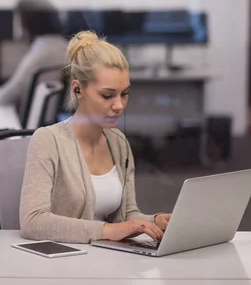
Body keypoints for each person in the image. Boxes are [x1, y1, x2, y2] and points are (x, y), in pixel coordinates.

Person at [19, 30, 171, 243]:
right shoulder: (48, 140)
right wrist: (106, 231)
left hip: (106, 259)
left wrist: (153, 222)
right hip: (62, 264)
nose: (119, 106)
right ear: (78, 90)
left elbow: (126, 217)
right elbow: (32, 222)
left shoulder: (118, 143)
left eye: (124, 94)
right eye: (107, 95)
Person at [0, 0, 67, 105]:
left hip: (31, 119)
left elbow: (7, 96)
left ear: (26, 23)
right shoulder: (61, 45)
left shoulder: (42, 53)